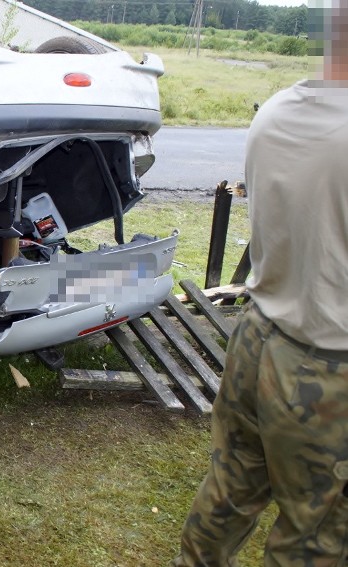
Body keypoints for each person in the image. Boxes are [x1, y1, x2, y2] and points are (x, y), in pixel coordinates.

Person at [173, 3, 348, 565]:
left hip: (258, 337)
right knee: (315, 533)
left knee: (230, 487)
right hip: (326, 366)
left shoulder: (278, 110)